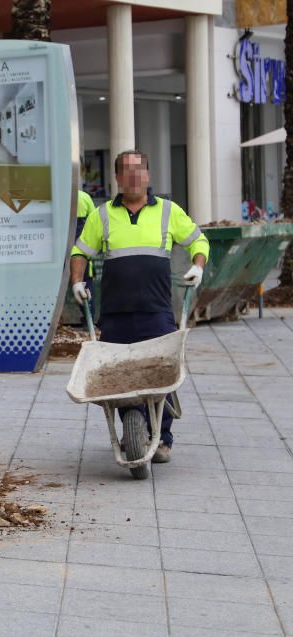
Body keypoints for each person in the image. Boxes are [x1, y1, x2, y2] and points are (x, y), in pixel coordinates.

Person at [69, 150, 208, 464]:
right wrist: (77, 280)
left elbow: (199, 241)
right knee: (119, 378)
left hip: (156, 311)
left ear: (147, 174)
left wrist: (197, 266)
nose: (133, 175)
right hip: (116, 313)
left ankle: (164, 439)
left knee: (164, 373)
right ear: (117, 178)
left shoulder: (169, 212)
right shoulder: (102, 215)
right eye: (126, 171)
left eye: (139, 169)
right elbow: (80, 251)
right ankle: (133, 427)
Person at [76, 189, 97, 323]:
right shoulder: (84, 197)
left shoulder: (56, 195)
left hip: (61, 251)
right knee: (85, 286)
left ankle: (57, 321)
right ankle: (88, 320)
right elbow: (94, 221)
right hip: (82, 250)